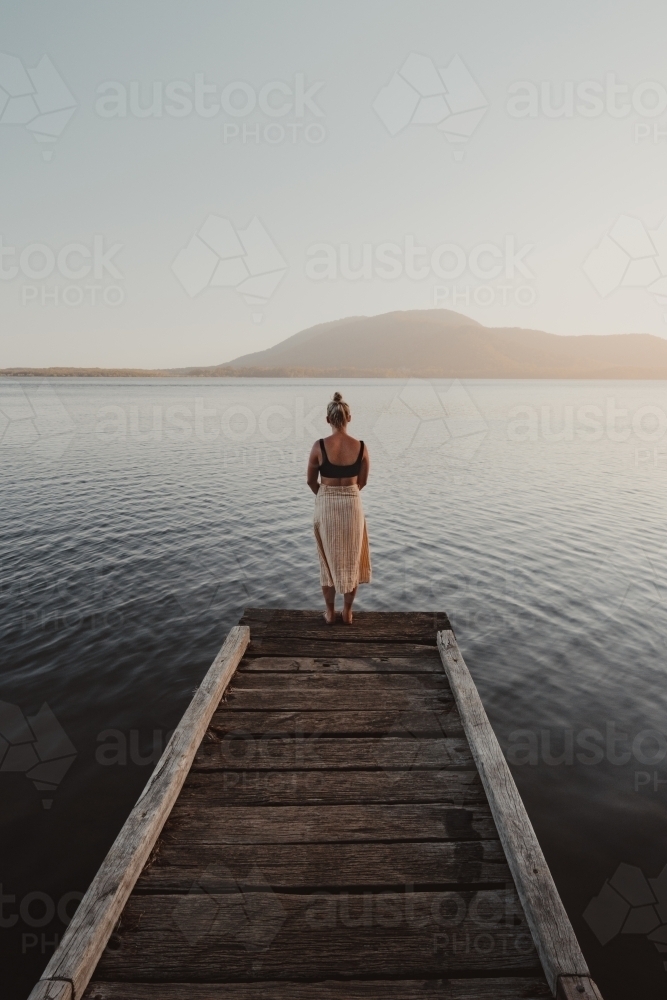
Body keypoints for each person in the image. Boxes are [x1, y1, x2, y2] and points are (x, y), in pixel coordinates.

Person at [307, 392, 371, 624]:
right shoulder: (361, 447)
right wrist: (346, 495)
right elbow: (362, 482)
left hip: (326, 504)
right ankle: (348, 612)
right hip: (353, 505)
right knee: (351, 557)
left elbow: (310, 481)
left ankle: (329, 612)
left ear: (328, 420)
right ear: (349, 418)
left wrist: (326, 496)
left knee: (327, 559)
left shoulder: (319, 446)